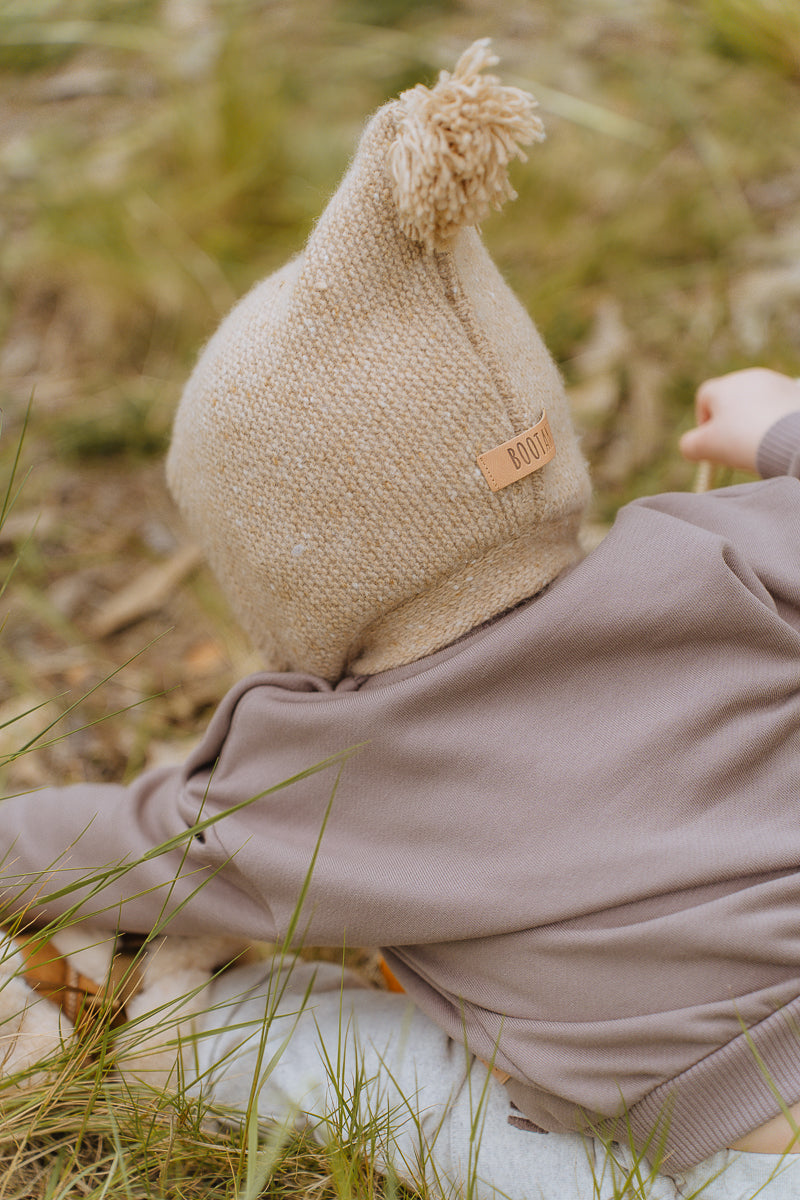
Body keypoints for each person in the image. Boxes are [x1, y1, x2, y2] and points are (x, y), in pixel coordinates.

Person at [3, 39, 800, 1200]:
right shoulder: (714, 552)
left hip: (719, 1161)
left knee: (335, 1064)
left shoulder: (319, 770)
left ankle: (135, 1022)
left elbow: (122, 843)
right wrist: (779, 430)